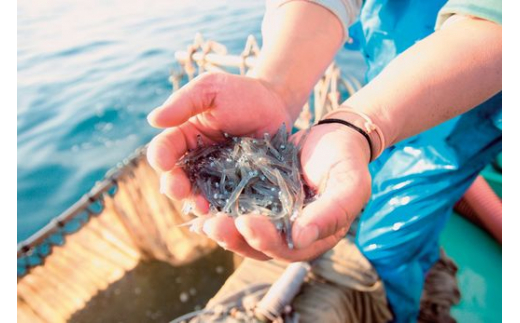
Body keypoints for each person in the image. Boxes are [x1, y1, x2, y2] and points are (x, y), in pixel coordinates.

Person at [146, 0, 502, 321]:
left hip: (478, 89)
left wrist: (363, 123)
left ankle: (396, 305)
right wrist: (276, 86)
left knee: (394, 238)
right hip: (391, 57)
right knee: (368, 170)